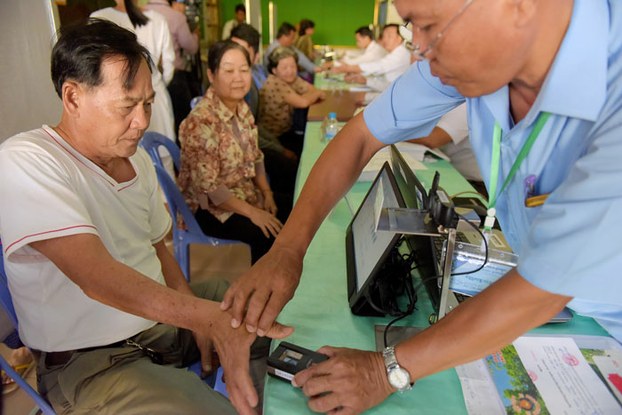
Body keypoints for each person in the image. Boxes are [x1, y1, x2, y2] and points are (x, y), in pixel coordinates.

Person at [219, 0, 622, 414]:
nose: (421, 51)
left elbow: (541, 288)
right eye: (412, 27)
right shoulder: (484, 48)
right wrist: (287, 250)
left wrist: (386, 370)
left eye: (427, 26)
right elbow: (360, 136)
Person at [0, 19, 291, 415]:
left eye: (148, 104)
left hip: (159, 325)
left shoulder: (134, 159)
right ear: (72, 97)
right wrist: (204, 319)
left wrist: (194, 319)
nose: (142, 121)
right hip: (94, 361)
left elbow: (159, 250)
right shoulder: (26, 161)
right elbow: (96, 277)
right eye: (127, 106)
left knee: (265, 311)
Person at [178, 41, 290, 265]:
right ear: (211, 74)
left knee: (294, 208)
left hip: (243, 193)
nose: (238, 78)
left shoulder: (242, 109)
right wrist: (254, 213)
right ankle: (261, 289)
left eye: (244, 70)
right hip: (208, 208)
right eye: (229, 71)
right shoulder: (200, 121)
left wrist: (266, 193)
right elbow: (210, 190)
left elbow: (256, 156)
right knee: (265, 234)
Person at [230, 23, 298, 199]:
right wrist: (279, 149)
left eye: (242, 50)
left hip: (255, 141)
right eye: (232, 48)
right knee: (289, 167)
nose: (235, 55)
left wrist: (279, 146)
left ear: (255, 56)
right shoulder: (231, 84)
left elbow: (253, 125)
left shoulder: (251, 82)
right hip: (240, 152)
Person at [144, 0, 202, 137]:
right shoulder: (176, 17)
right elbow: (191, 47)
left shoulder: (138, 14)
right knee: (181, 121)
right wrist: (196, 35)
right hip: (174, 79)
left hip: (144, 79)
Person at [259, 47, 325, 158]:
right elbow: (304, 102)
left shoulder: (292, 79)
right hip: (274, 138)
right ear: (274, 70)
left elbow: (314, 90)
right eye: (284, 67)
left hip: (287, 130)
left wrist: (309, 96)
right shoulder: (275, 83)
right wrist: (312, 96)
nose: (290, 71)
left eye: (293, 66)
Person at [409, 103, 483, 185]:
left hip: (473, 185)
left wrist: (396, 134)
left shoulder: (469, 103)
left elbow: (432, 139)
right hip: (450, 171)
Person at [333, 23, 411, 92]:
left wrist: (348, 68)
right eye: (384, 36)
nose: (384, 39)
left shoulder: (401, 54)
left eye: (389, 36)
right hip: (390, 91)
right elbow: (388, 83)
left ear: (399, 38)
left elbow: (379, 66)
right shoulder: (394, 52)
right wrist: (364, 80)